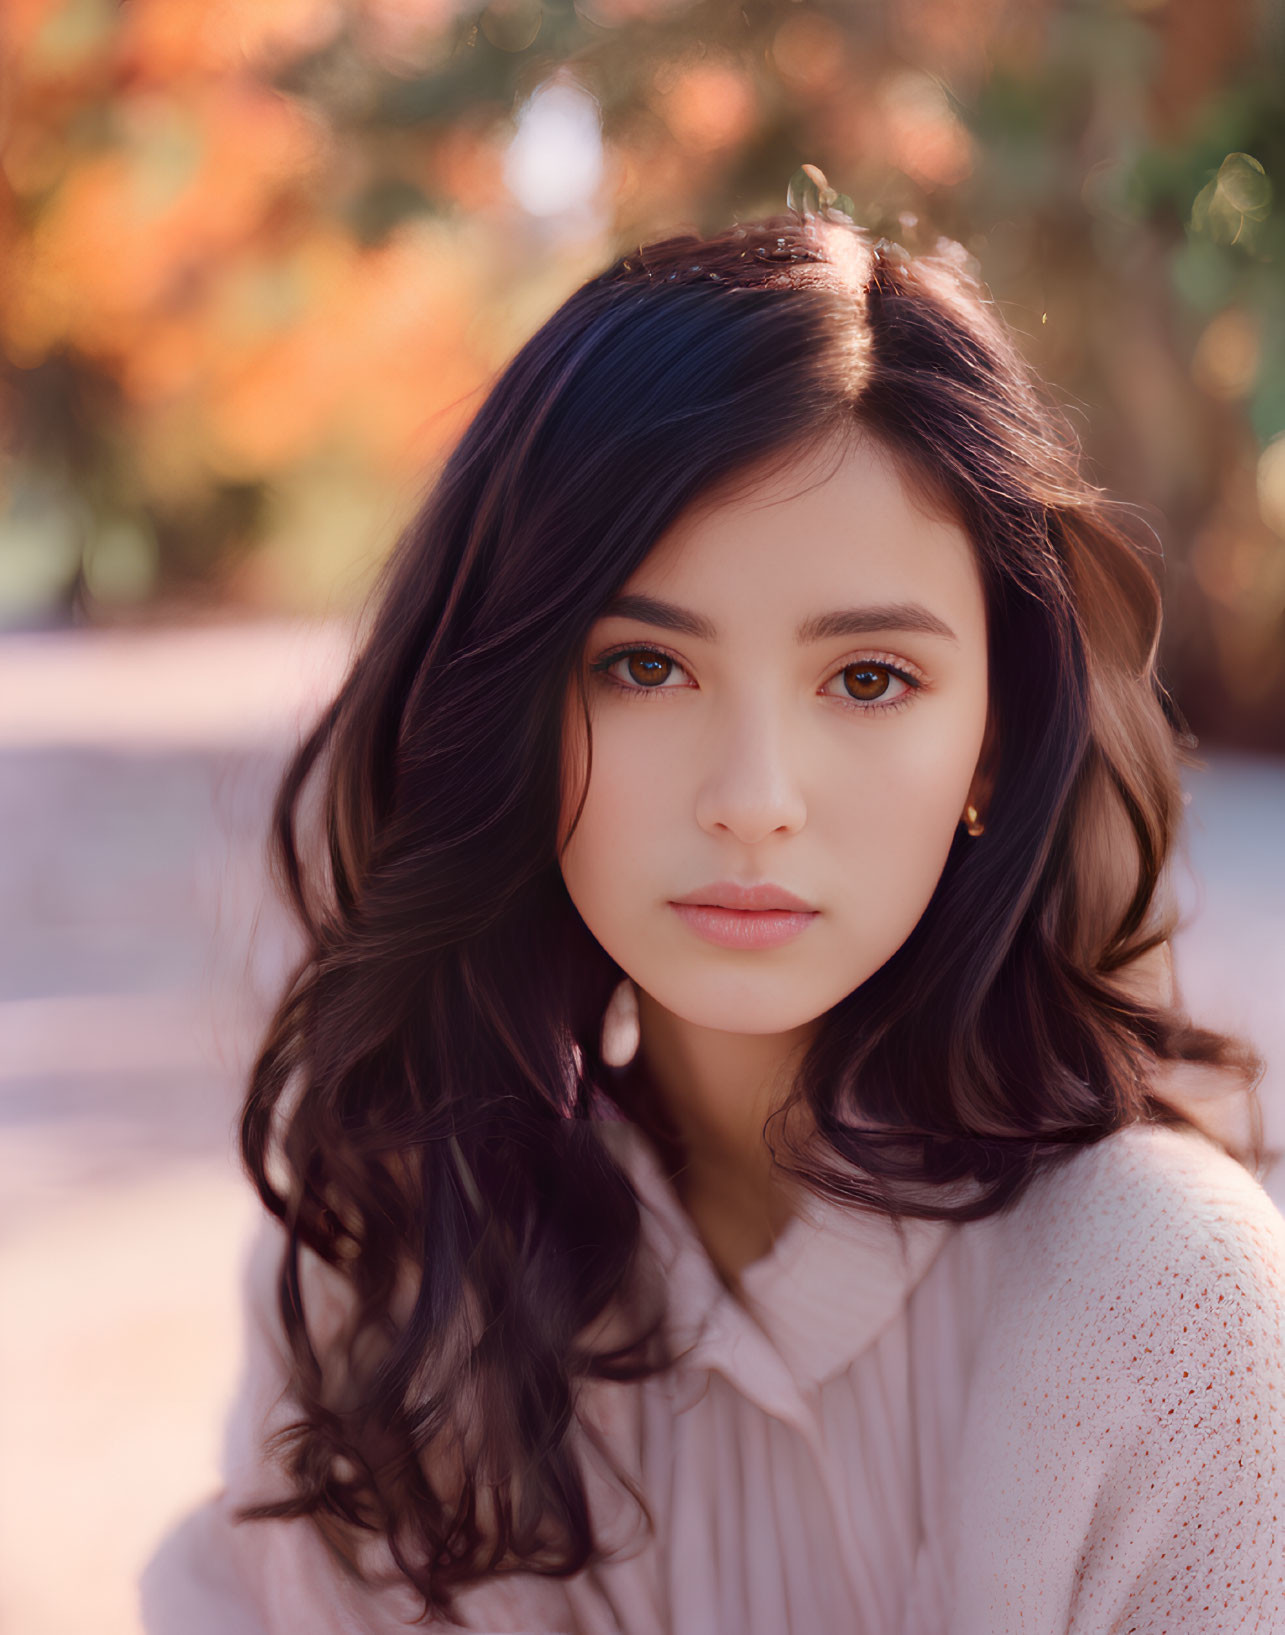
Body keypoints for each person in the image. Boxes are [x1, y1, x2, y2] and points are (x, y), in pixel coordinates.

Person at [142, 193, 1285, 1634]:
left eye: (869, 678)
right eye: (642, 667)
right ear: (511, 708)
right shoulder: (390, 1271)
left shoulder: (1154, 1297)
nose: (753, 798)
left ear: (993, 740)